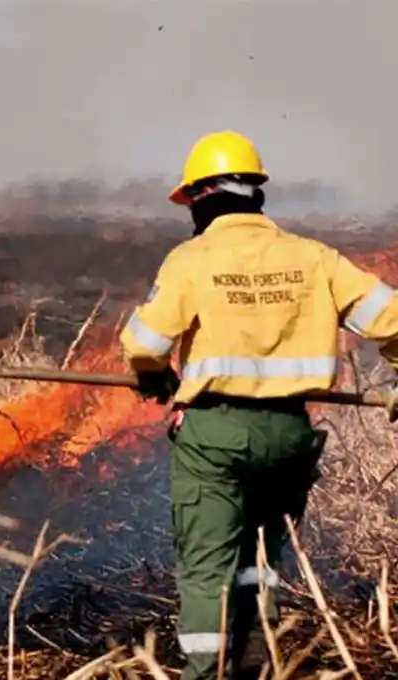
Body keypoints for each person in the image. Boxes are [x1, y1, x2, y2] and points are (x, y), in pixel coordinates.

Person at [117, 130, 398, 680]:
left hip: (216, 436)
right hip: (290, 435)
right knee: (261, 561)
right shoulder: (313, 258)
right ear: (255, 194)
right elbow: (392, 318)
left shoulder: (193, 259)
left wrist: (154, 378)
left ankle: (206, 671)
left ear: (202, 197)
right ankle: (260, 662)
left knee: (208, 568)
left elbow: (144, 344)